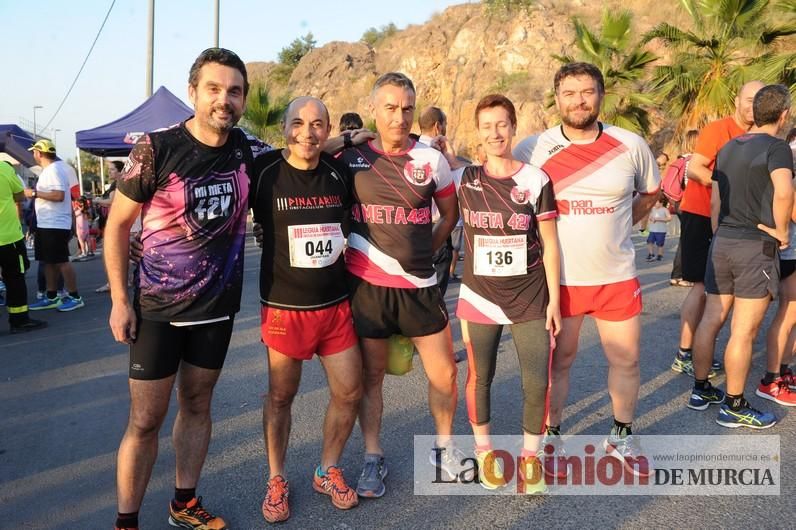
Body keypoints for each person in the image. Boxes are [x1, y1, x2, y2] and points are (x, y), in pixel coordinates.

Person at [105, 47, 261, 530]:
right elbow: (116, 227)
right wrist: (118, 300)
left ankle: (184, 503)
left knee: (197, 405)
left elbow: (305, 149)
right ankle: (126, 522)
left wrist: (352, 137)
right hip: (157, 310)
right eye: (214, 88)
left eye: (234, 91)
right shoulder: (156, 148)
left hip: (216, 308)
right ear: (193, 92)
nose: (224, 99)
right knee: (146, 420)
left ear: (243, 99)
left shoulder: (247, 149)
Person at [513, 62, 660, 478]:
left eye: (588, 92)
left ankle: (621, 437)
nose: (579, 101)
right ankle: (552, 438)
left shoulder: (629, 144)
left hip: (616, 277)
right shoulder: (532, 148)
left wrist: (617, 227)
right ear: (556, 98)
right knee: (559, 363)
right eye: (570, 93)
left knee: (627, 361)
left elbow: (650, 193)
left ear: (601, 94)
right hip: (560, 281)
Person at [338, 72, 464, 497]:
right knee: (372, 378)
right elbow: (309, 154)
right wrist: (349, 138)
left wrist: (426, 250)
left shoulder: (431, 159)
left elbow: (449, 215)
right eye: (390, 108)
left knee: (444, 375)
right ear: (374, 109)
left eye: (407, 108)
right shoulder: (352, 158)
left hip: (420, 287)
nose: (399, 116)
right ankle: (373, 457)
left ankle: (444, 449)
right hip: (368, 287)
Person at [252, 97, 362, 523]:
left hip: (335, 307)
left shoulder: (339, 172)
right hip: (284, 308)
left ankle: (326, 467)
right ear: (284, 127)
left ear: (328, 129)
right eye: (297, 123)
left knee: (349, 392)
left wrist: (351, 138)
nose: (307, 132)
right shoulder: (263, 172)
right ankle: (276, 478)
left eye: (318, 125)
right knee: (281, 396)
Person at [453, 94, 561, 493]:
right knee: (481, 377)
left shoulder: (536, 180)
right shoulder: (463, 180)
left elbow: (550, 244)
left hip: (531, 297)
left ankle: (530, 459)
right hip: (479, 296)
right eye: (487, 126)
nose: (495, 133)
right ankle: (485, 454)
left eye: (502, 124)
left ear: (513, 127)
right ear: (477, 133)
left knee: (536, 382)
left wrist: (556, 303)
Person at [688, 84, 793, 428]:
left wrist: (722, 232)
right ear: (783, 115)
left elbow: (717, 199)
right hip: (754, 245)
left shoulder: (730, 145)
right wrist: (780, 230)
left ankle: (701, 389)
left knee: (711, 320)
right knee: (743, 331)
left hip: (723, 241)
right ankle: (734, 404)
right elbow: (784, 190)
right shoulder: (777, 147)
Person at [672, 81, 764, 377]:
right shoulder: (718, 130)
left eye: (759, 101)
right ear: (737, 100)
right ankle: (684, 354)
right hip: (701, 212)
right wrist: (727, 183)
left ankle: (705, 350)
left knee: (722, 292)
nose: (753, 107)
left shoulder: (760, 136)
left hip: (736, 220)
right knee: (702, 286)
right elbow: (695, 167)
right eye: (748, 100)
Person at [24, 139, 84, 312]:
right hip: (47, 223)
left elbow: (59, 195)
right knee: (48, 261)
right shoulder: (51, 170)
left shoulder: (53, 170)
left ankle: (75, 296)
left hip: (54, 223)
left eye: (34, 152)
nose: (33, 155)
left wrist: (34, 193)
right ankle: (52, 296)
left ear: (39, 153)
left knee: (61, 261)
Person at [418, 106, 464, 294]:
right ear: (438, 126)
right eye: (445, 124)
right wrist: (453, 163)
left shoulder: (409, 151)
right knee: (435, 297)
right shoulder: (440, 156)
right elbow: (461, 187)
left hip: (411, 231)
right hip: (438, 228)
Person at [0, 161, 46, 333]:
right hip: (8, 238)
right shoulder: (3, 168)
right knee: (15, 279)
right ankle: (19, 320)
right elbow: (19, 195)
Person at [669, 130, 699, 287]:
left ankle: (678, 274)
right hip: (690, 203)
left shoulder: (681, 160)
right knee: (688, 240)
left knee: (685, 239)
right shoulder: (693, 162)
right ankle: (682, 275)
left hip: (679, 203)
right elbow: (692, 185)